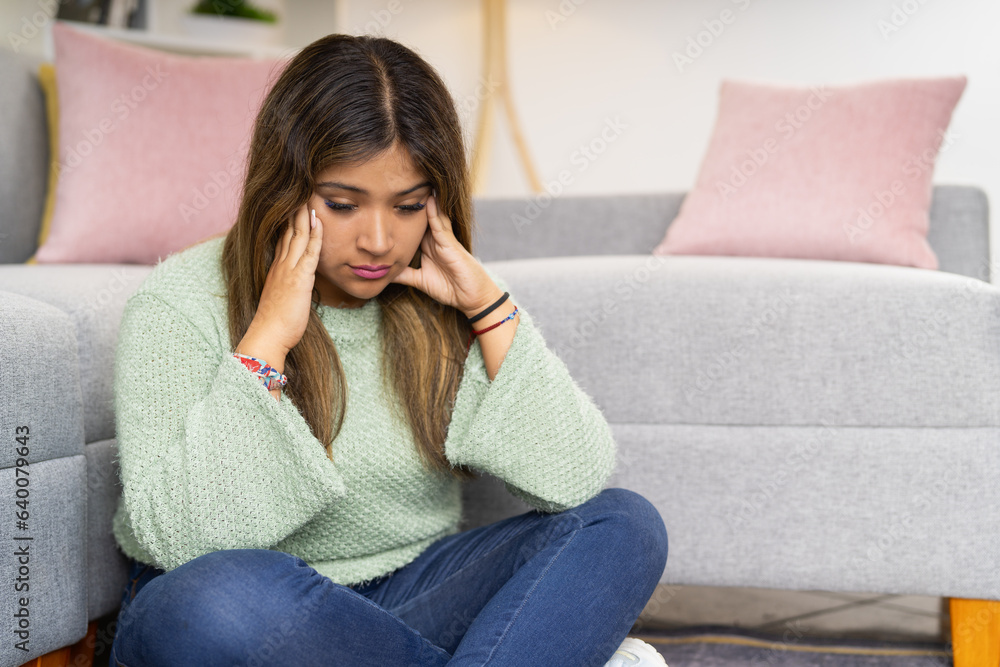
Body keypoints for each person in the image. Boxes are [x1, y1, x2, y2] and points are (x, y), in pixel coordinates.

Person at [108, 32, 668, 667]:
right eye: (342, 204)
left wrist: (489, 308)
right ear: (284, 188)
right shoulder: (179, 302)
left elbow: (573, 478)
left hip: (409, 600)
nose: (378, 240)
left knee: (624, 524)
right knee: (215, 602)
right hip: (253, 609)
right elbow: (181, 539)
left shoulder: (436, 304)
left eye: (407, 206)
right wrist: (268, 340)